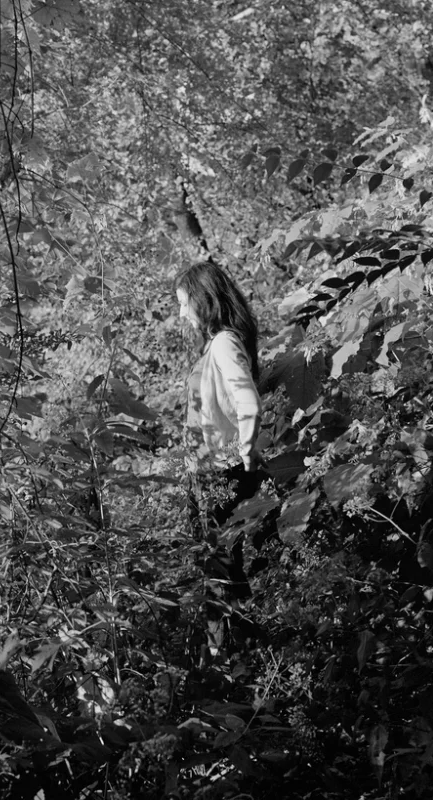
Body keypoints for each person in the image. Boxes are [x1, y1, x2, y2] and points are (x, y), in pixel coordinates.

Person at [174, 260, 264, 655]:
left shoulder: (225, 342)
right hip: (209, 474)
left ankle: (232, 664)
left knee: (219, 574)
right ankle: (235, 659)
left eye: (184, 303)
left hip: (219, 475)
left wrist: (247, 453)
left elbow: (247, 402)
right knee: (217, 570)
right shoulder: (218, 343)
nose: (181, 313)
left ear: (203, 300)